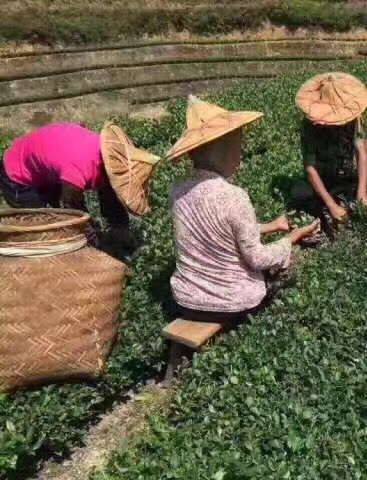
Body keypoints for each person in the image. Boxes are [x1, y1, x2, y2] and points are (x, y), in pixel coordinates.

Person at [166, 96, 319, 324]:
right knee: (290, 262)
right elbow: (256, 258)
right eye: (238, 147)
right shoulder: (234, 196)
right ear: (225, 151)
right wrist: (290, 239)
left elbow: (220, 231)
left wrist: (273, 226)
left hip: (186, 301)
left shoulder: (177, 189)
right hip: (232, 305)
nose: (240, 154)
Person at [0, 122, 159, 249]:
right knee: (42, 229)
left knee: (106, 194)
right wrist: (93, 243)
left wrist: (120, 226)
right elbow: (75, 213)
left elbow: (110, 193)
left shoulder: (107, 155)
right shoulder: (77, 173)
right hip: (18, 176)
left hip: (48, 166)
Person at [294, 72, 367, 222]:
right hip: (324, 175)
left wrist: (362, 193)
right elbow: (310, 169)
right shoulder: (309, 126)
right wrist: (331, 205)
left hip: (349, 170)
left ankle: (354, 189)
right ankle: (329, 198)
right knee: (300, 193)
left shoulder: (354, 118)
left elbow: (361, 151)